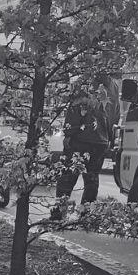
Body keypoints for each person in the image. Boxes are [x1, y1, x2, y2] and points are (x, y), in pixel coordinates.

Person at [52, 76, 110, 219]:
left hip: (80, 140)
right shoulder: (110, 89)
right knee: (92, 179)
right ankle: (86, 214)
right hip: (101, 141)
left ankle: (59, 214)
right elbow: (113, 116)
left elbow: (75, 114)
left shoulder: (83, 84)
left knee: (67, 177)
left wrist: (69, 133)